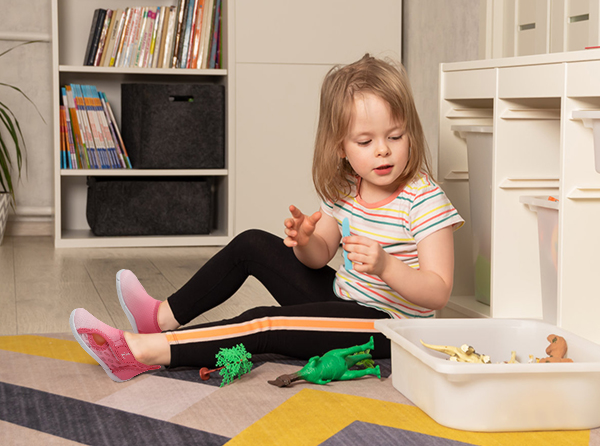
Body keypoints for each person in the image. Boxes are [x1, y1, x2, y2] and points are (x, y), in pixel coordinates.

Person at [70, 54, 464, 383]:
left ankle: (142, 351)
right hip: (344, 299)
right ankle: (160, 318)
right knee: (252, 244)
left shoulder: (423, 199)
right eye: (366, 141)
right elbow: (319, 256)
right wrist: (305, 241)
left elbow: (438, 291)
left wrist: (386, 265)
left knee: (265, 323)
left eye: (395, 136)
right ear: (340, 147)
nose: (383, 151)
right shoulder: (348, 188)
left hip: (388, 326)